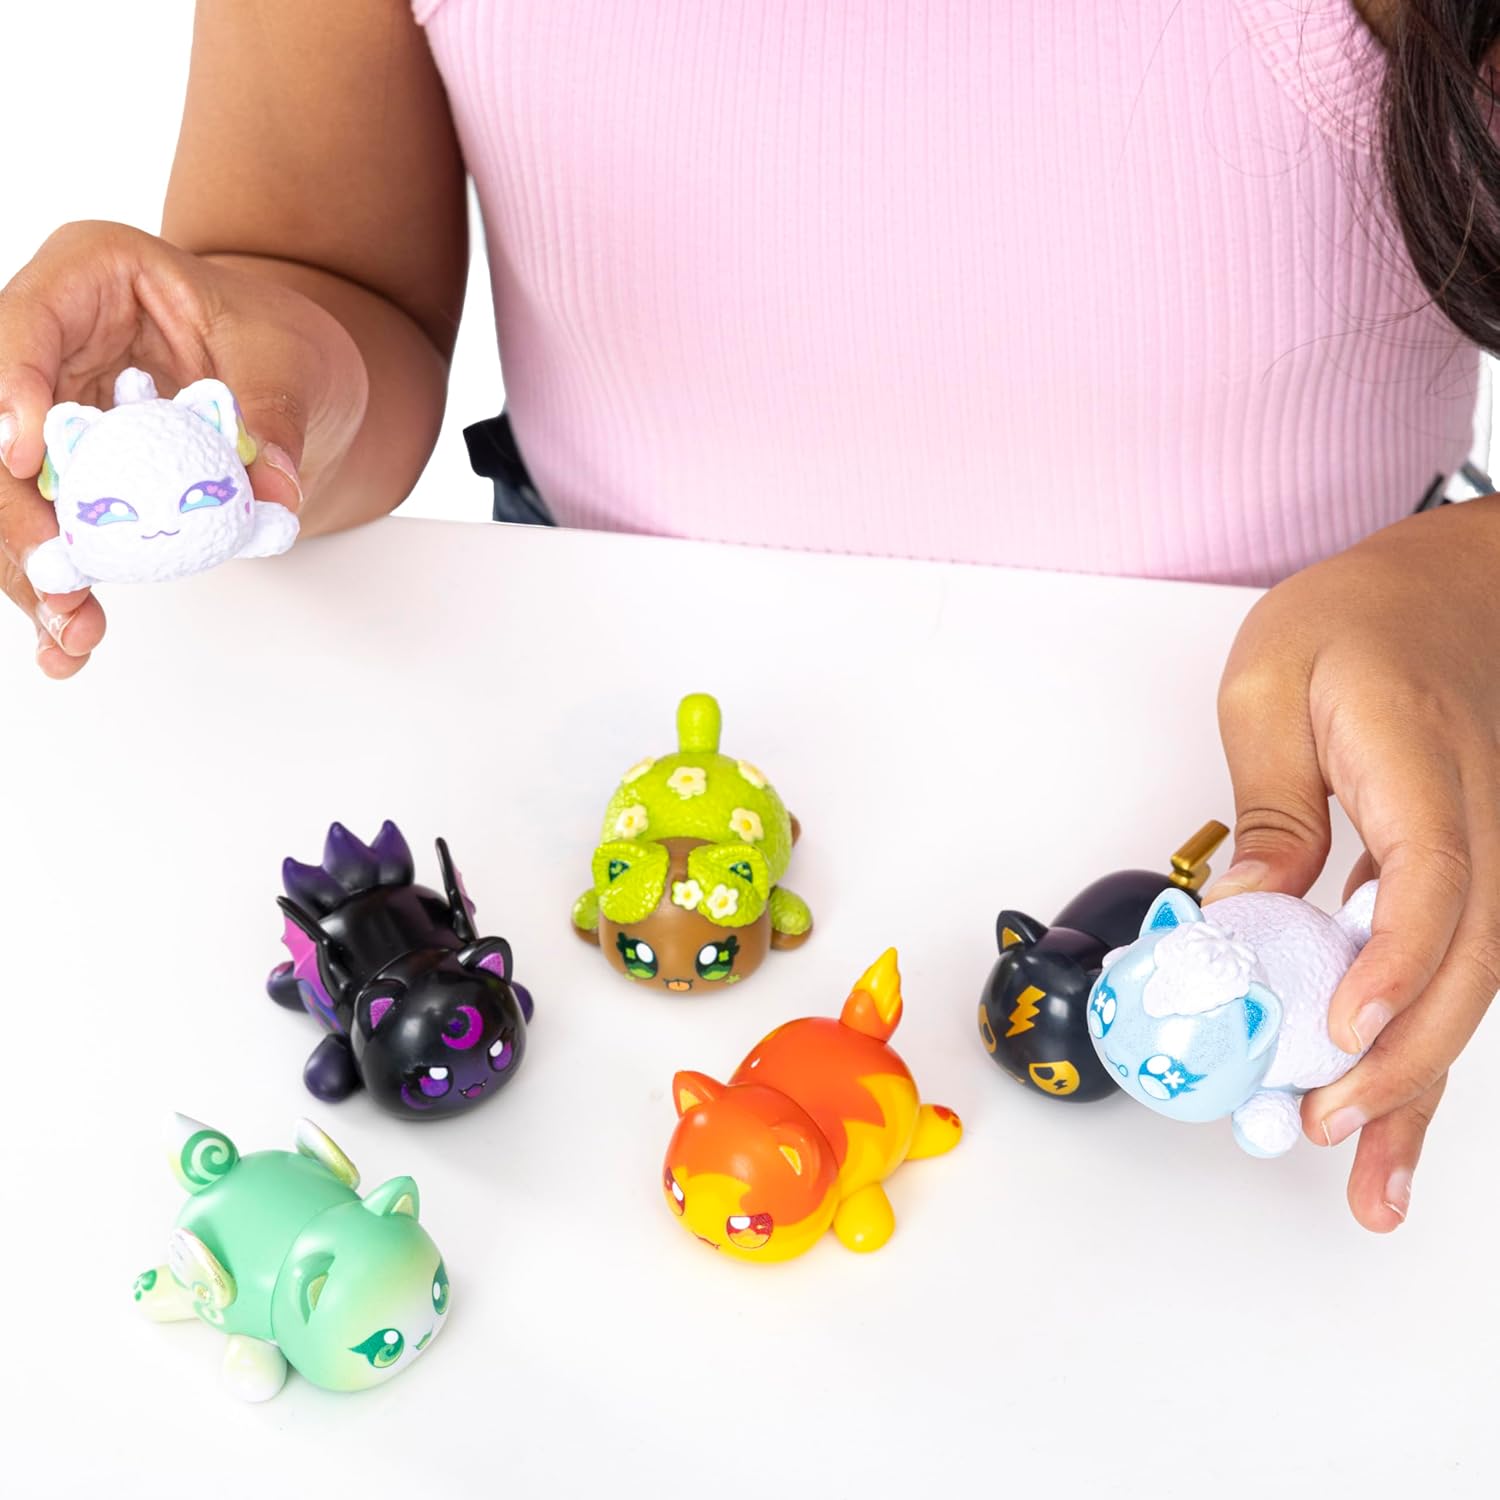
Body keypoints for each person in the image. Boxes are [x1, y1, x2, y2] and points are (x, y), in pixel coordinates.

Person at [0, 1, 1495, 1231]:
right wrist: (241, 403)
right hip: (597, 720)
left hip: (1342, 814)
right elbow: (327, 271)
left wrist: (1475, 583)